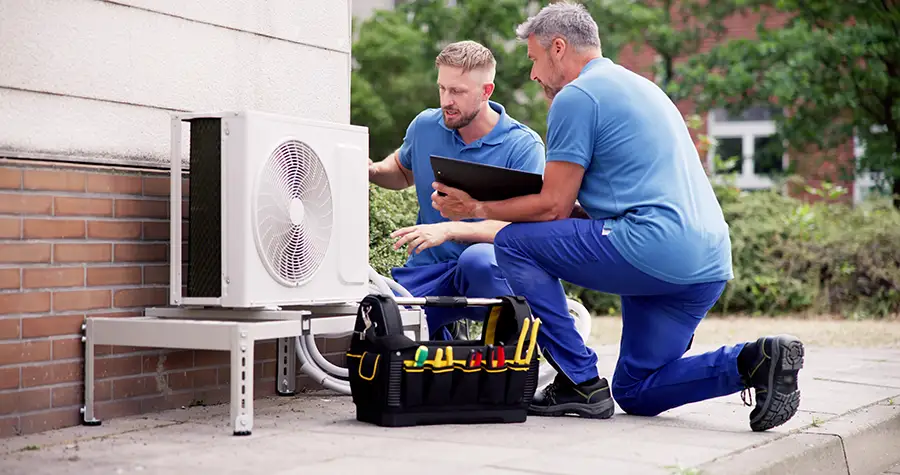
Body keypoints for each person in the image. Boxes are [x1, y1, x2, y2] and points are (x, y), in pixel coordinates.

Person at [429, 1, 804, 432]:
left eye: (533, 59)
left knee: (512, 243)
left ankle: (579, 381)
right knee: (636, 390)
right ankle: (756, 361)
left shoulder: (576, 96)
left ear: (557, 47)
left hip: (649, 245)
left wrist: (477, 208)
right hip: (707, 262)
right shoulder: (641, 87)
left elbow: (553, 206)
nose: (533, 74)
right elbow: (589, 201)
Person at [368, 40, 546, 340]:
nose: (446, 100)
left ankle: (513, 344)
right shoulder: (425, 126)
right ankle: (446, 339)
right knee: (384, 328)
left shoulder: (523, 146)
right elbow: (400, 171)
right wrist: (369, 171)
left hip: (490, 268)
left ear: (486, 91)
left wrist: (449, 230)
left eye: (458, 92)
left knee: (476, 261)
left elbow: (523, 228)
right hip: (428, 268)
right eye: (442, 88)